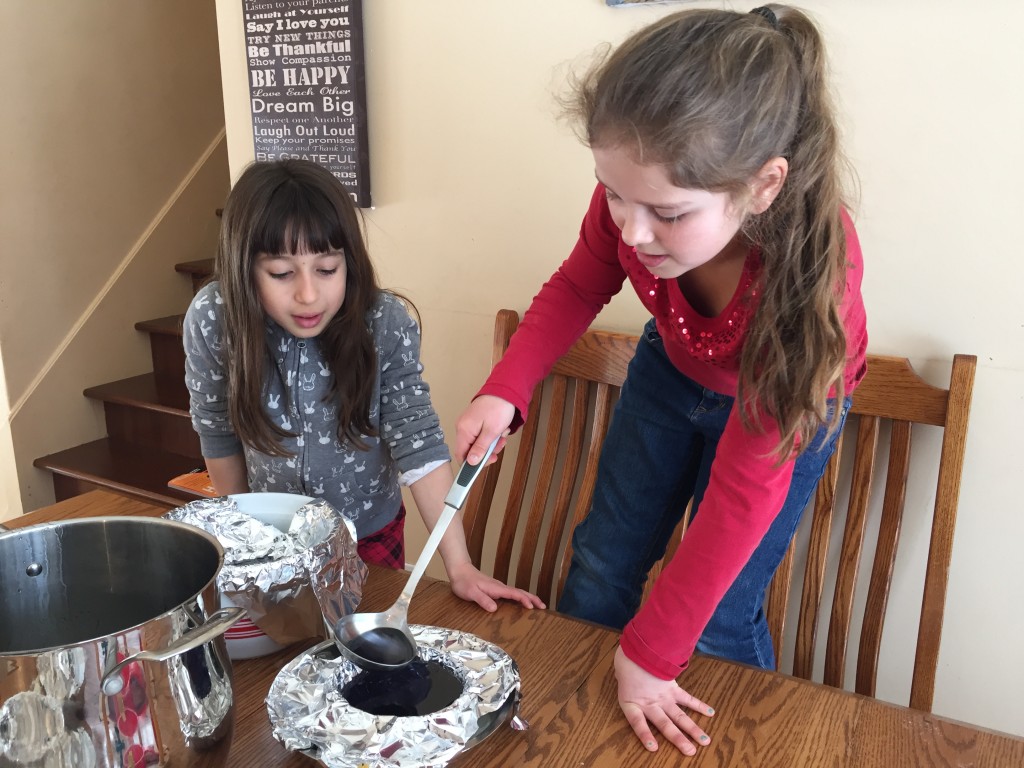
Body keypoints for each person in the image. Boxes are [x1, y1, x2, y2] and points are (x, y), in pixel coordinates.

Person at [455, 5, 867, 756]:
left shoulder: (809, 281)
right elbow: (580, 284)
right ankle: (568, 733)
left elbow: (745, 493)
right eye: (613, 195)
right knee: (602, 564)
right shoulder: (635, 198)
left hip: (782, 412)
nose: (632, 230)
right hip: (670, 376)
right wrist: (506, 386)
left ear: (763, 186)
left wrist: (649, 657)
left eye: (667, 213)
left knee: (718, 613)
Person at [184, 158, 543, 614]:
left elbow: (419, 444)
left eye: (328, 269)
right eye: (281, 273)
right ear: (244, 270)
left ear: (349, 263)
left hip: (370, 535)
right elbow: (217, 432)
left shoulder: (383, 322)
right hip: (272, 537)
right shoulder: (214, 318)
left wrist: (460, 566)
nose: (308, 295)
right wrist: (242, 537)